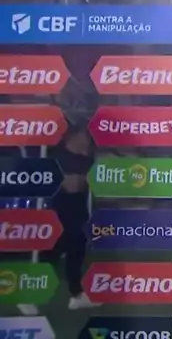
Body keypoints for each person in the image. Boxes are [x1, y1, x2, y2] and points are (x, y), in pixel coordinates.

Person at [46, 126, 100, 310]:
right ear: (73, 136)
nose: (88, 141)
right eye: (85, 136)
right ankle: (74, 293)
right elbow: (71, 185)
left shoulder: (86, 158)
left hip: (77, 208)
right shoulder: (58, 156)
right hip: (62, 208)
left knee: (72, 249)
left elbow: (84, 183)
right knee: (58, 250)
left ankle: (76, 293)